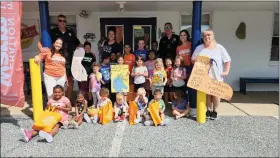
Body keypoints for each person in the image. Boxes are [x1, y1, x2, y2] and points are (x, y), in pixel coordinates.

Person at [191, 29, 231, 120]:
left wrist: (226, 71)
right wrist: (197, 60)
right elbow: (192, 60)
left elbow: (227, 60)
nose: (206, 37)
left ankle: (215, 111)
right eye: (204, 36)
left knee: (216, 95)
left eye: (209, 35)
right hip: (204, 76)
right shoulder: (199, 48)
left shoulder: (219, 48)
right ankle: (208, 110)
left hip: (217, 76)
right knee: (207, 94)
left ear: (213, 36)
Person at [49, 14, 82, 101]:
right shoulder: (52, 32)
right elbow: (44, 43)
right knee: (58, 81)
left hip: (70, 60)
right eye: (60, 20)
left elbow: (78, 43)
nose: (62, 22)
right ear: (57, 22)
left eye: (64, 21)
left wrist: (86, 51)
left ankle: (68, 100)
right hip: (57, 60)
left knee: (70, 81)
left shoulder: (70, 32)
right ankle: (57, 100)